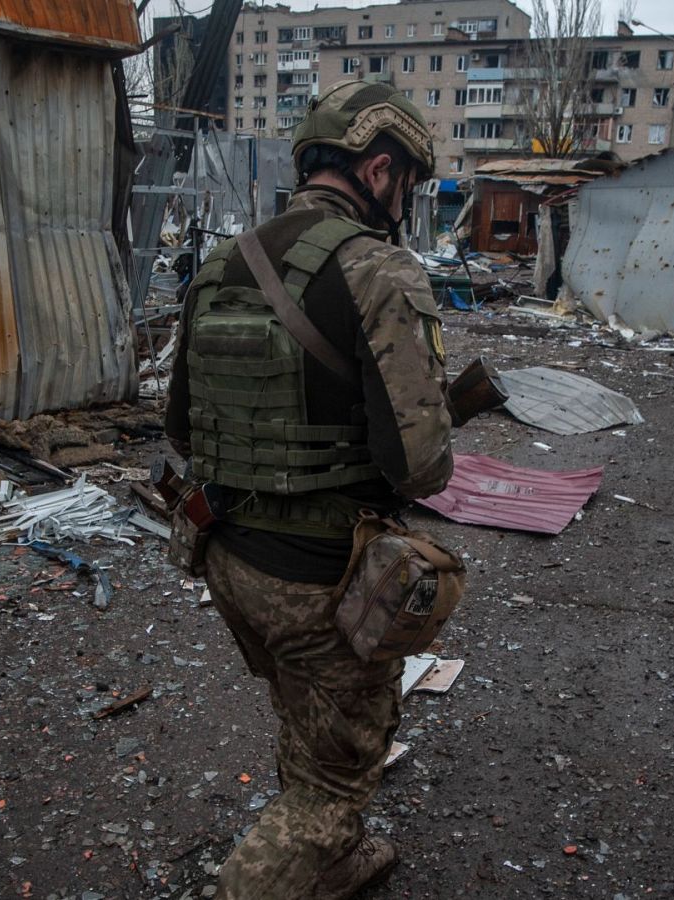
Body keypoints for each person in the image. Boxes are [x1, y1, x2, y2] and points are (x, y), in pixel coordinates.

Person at [164, 80, 455, 900]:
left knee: (308, 707)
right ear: (379, 169)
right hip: (320, 580)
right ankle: (282, 862)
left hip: (228, 559)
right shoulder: (378, 270)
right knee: (334, 779)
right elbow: (421, 467)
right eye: (410, 183)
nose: (408, 201)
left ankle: (336, 861)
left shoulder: (220, 264)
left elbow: (182, 431)